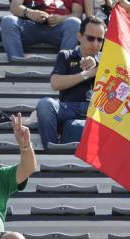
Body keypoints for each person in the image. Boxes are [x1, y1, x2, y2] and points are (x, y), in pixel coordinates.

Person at [36, 17, 106, 149]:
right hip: (68, 107)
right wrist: (87, 74)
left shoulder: (107, 59)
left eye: (100, 39)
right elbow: (55, 84)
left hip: (94, 109)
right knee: (45, 104)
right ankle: (52, 150)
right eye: (91, 38)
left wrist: (99, 66)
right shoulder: (66, 55)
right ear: (79, 36)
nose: (95, 44)